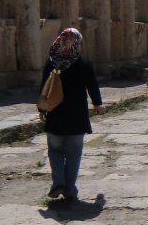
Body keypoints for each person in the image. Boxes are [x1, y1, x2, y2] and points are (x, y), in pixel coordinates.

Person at [39, 27, 105, 203]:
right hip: (77, 117)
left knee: (55, 151)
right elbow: (92, 86)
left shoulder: (51, 63)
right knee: (74, 154)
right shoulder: (83, 65)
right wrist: (97, 104)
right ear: (78, 43)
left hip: (55, 115)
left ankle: (58, 182)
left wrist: (42, 109)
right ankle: (70, 189)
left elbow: (44, 88)